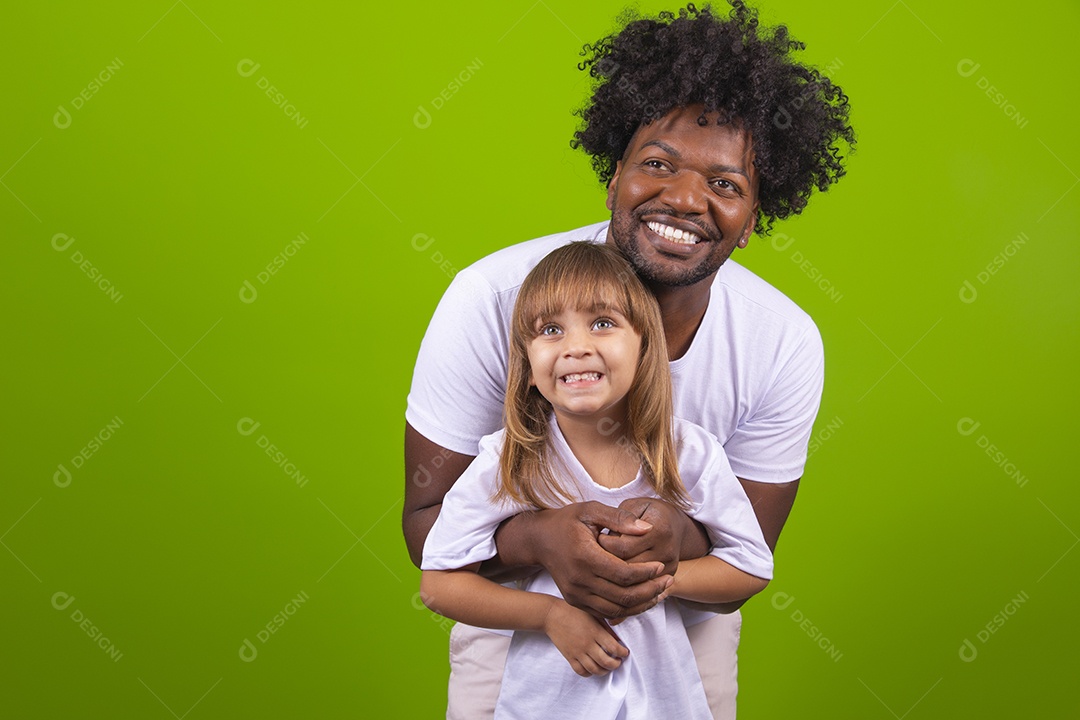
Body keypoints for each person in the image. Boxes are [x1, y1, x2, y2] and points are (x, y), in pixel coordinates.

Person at [403, 2, 854, 717]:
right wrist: (540, 540)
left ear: (752, 220)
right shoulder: (493, 298)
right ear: (614, 177)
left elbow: (745, 555)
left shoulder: (781, 342)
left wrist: (673, 541)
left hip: (685, 640)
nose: (685, 199)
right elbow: (428, 531)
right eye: (657, 164)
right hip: (517, 634)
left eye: (726, 184)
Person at [420, 241, 772, 720]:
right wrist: (550, 615)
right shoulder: (508, 460)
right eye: (550, 330)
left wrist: (653, 581)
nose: (576, 346)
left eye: (603, 323)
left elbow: (750, 566)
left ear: (645, 346)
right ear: (527, 366)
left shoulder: (689, 453)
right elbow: (439, 584)